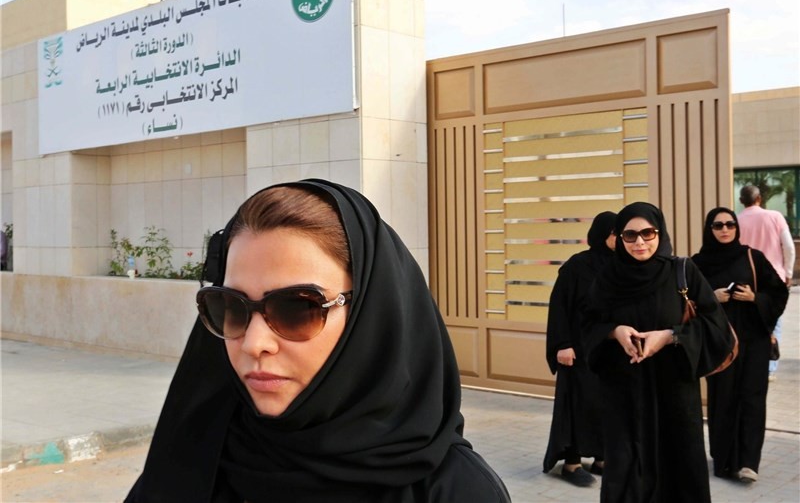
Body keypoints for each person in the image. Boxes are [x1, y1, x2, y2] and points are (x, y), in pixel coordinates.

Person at [125, 179, 511, 503]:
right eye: (232, 307)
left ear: (371, 318)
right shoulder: (195, 460)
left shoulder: (455, 491)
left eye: (297, 308)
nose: (254, 344)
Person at [581, 202, 735, 503]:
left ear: (659, 233)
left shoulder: (683, 271)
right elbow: (588, 324)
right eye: (630, 235)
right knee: (627, 469)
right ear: (620, 238)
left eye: (648, 233)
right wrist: (614, 332)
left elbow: (716, 327)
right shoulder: (608, 278)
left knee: (679, 468)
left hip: (674, 393)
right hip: (624, 394)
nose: (639, 242)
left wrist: (669, 336)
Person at [692, 207, 788, 484]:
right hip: (720, 343)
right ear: (709, 229)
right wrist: (712, 298)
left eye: (730, 224)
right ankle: (724, 460)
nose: (725, 230)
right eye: (718, 225)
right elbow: (684, 303)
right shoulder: (698, 264)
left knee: (752, 398)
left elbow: (778, 292)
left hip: (754, 341)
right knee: (722, 399)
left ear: (737, 227)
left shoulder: (752, 257)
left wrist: (755, 298)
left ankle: (748, 462)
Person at [543, 211, 616, 487]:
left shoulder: (621, 266)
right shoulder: (578, 265)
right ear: (601, 234)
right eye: (614, 232)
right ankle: (571, 464)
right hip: (577, 352)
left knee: (606, 405)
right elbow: (559, 307)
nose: (619, 238)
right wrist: (562, 344)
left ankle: (602, 459)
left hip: (607, 352)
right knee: (577, 405)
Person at [738, 185, 794, 381]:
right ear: (759, 199)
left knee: (749, 320)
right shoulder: (775, 217)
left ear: (741, 201)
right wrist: (788, 273)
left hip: (747, 277)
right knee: (773, 319)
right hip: (773, 277)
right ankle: (769, 367)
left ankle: (751, 364)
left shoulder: (736, 221)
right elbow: (789, 247)